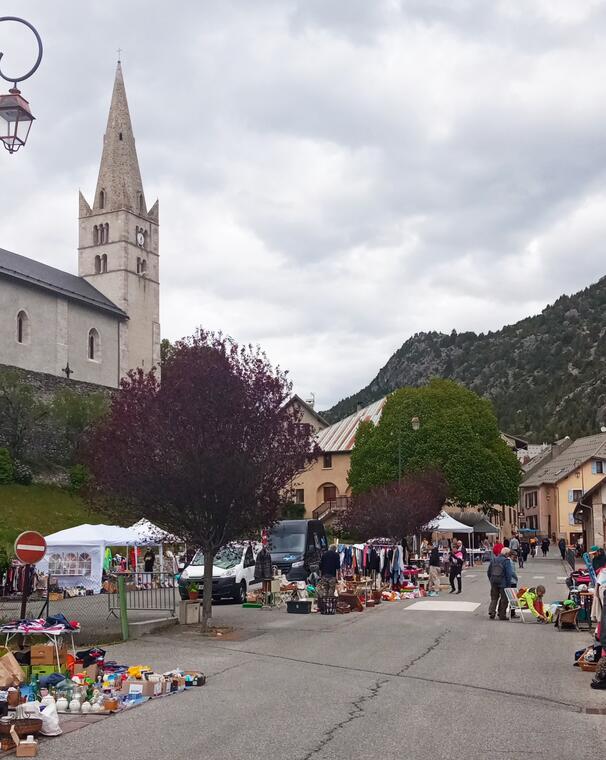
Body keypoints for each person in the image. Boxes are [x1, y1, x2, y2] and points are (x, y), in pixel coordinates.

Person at [487, 547, 513, 620]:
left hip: (494, 581)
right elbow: (509, 574)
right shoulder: (506, 561)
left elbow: (489, 571)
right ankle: (502, 615)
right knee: (504, 599)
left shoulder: (494, 559)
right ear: (506, 554)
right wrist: (508, 584)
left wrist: (491, 580)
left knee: (494, 597)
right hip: (503, 582)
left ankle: (492, 611)